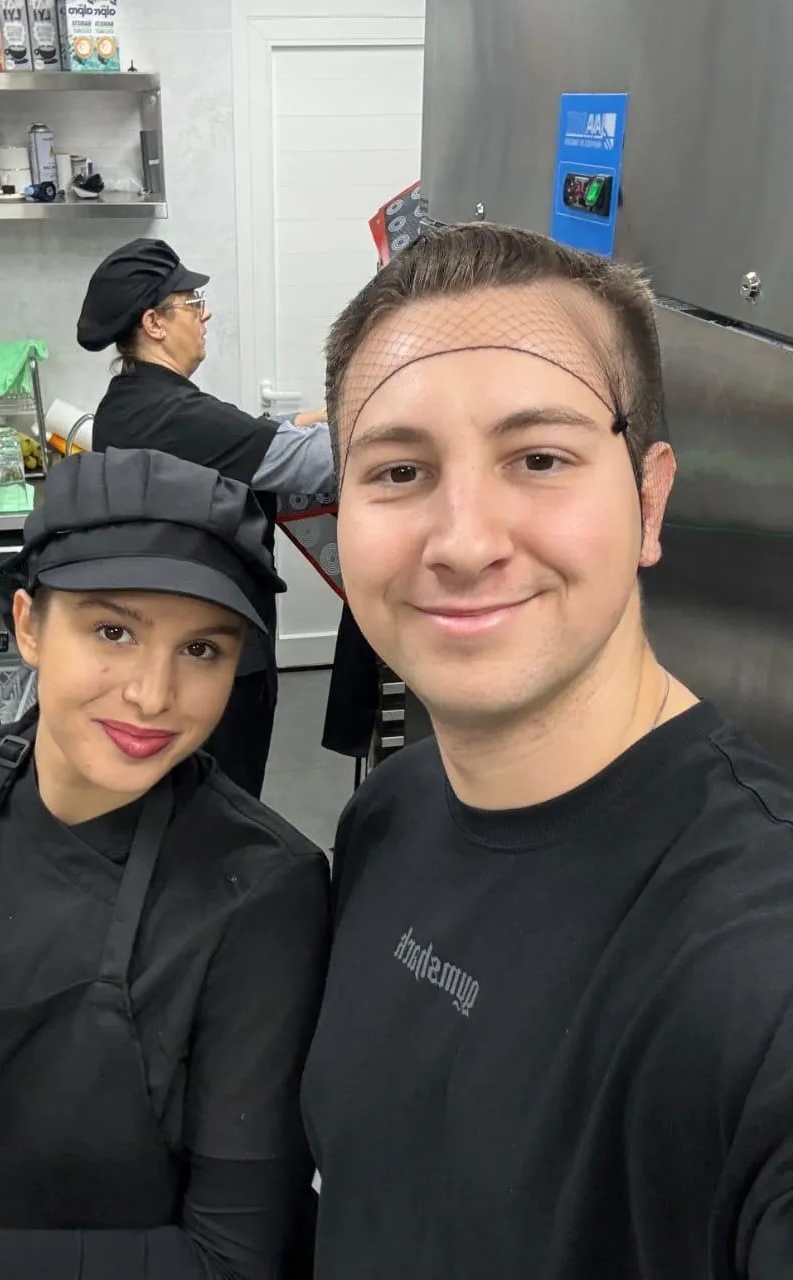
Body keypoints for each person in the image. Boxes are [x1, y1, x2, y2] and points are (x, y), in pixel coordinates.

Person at [300, 223, 793, 1278]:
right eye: (398, 470)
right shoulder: (388, 812)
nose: (465, 541)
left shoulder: (759, 957)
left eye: (539, 458)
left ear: (650, 501)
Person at [0, 448, 329, 1280]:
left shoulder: (260, 893)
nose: (152, 695)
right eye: (113, 631)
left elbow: (234, 1259)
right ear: (28, 625)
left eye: (202, 649)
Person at [77, 239, 336, 799]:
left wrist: (307, 419)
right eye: (192, 303)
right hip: (214, 654)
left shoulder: (133, 402)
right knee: (224, 803)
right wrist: (393, 420)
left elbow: (244, 435)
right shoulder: (174, 415)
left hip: (177, 639)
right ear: (154, 323)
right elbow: (313, 462)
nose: (206, 314)